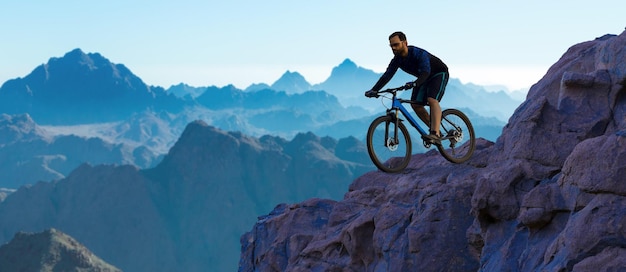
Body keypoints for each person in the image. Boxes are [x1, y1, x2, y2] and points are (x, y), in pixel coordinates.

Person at [365, 31, 449, 143]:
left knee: (431, 99)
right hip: (423, 77)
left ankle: (435, 133)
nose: (393, 48)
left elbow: (425, 72)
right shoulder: (397, 60)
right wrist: (374, 90)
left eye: (396, 45)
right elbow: (387, 76)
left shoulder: (418, 54)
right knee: (415, 105)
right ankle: (434, 127)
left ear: (405, 43)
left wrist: (415, 83)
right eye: (391, 46)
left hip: (438, 73)